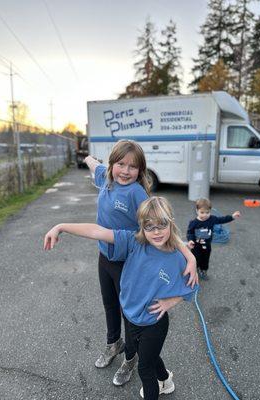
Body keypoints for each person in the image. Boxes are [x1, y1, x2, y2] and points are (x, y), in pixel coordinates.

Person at [44, 196, 199, 400]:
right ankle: (166, 381)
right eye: (149, 226)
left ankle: (158, 387)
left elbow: (192, 287)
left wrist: (171, 302)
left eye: (162, 225)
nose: (156, 231)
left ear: (170, 223)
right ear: (142, 227)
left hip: (154, 322)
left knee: (145, 370)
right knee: (149, 356)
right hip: (131, 317)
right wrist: (61, 226)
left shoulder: (178, 259)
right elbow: (97, 231)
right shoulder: (134, 243)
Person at [84, 140, 198, 386]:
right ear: (112, 164)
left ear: (140, 170)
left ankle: (130, 358)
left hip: (126, 260)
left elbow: (159, 225)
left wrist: (189, 255)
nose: (125, 171)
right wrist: (89, 159)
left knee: (129, 311)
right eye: (121, 164)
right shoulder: (105, 176)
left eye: (132, 167)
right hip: (104, 256)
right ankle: (113, 344)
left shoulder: (136, 192)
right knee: (109, 305)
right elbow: (95, 165)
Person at [187, 198, 241, 281]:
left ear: (210, 211)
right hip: (196, 246)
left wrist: (232, 217)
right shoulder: (193, 222)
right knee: (195, 259)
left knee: (205, 259)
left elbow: (222, 219)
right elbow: (190, 233)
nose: (205, 215)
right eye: (202, 212)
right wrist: (190, 240)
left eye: (207, 212)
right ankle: (194, 270)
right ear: (197, 210)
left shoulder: (212, 219)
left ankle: (203, 271)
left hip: (207, 246)